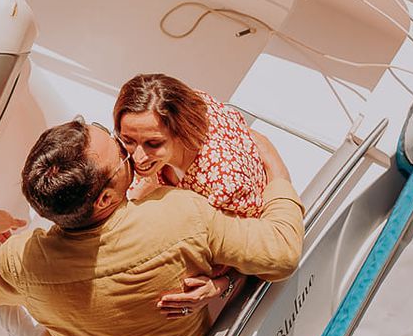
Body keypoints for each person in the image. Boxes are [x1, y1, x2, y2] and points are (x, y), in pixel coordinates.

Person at [0, 119, 305, 336]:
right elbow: (282, 254)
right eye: (121, 152)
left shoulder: (23, 261)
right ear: (105, 199)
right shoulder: (180, 214)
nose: (128, 150)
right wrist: (278, 176)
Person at [116, 73, 296, 317]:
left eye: (153, 144)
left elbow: (257, 246)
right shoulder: (190, 102)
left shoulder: (223, 182)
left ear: (181, 130)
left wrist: (222, 284)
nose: (138, 157)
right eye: (128, 140)